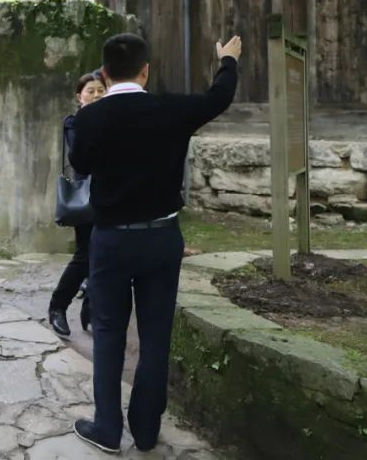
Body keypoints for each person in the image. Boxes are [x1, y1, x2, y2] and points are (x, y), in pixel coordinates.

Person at [70, 33, 241, 454]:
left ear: (104, 74)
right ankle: (146, 430)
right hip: (162, 237)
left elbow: (80, 165)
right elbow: (219, 97)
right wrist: (228, 60)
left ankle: (107, 427)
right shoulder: (171, 109)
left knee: (108, 332)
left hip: (111, 240)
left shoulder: (89, 118)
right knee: (156, 334)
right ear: (145, 71)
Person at [47, 72, 106, 338]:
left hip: (111, 194)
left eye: (100, 90)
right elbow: (81, 154)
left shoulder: (112, 118)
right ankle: (58, 307)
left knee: (104, 255)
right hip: (86, 197)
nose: (96, 95)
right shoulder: (74, 121)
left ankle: (90, 311)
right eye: (90, 91)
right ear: (79, 96)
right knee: (84, 255)